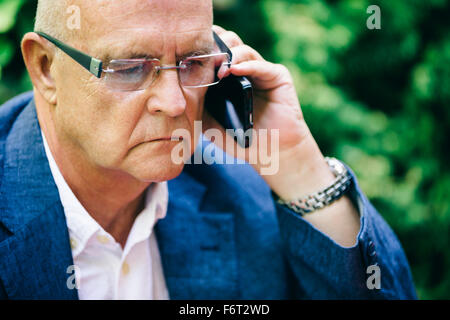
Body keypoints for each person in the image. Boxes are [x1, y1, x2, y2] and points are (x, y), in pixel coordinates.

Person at [0, 0, 416, 299]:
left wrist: (296, 165)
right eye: (129, 68)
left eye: (192, 62)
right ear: (45, 68)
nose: (176, 103)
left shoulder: (239, 190)